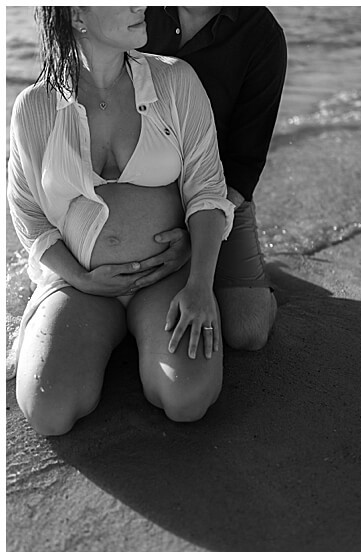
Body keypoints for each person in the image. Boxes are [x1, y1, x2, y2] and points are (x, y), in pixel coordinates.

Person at [8, 6, 236, 435]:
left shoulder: (176, 80)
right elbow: (28, 214)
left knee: (186, 401)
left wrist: (200, 286)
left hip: (166, 279)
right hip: (84, 285)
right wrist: (81, 278)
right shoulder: (34, 106)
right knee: (48, 412)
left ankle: (144, 342)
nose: (141, 5)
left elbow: (207, 190)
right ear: (77, 13)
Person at [136, 6, 287, 351]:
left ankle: (263, 285)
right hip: (140, 185)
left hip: (216, 190)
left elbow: (244, 162)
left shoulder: (263, 35)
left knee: (247, 332)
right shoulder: (134, 12)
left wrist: (197, 237)